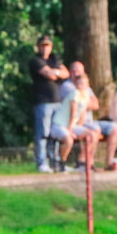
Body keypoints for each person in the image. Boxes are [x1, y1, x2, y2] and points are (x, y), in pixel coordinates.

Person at [61, 62, 117, 171]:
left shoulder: (85, 85)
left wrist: (86, 102)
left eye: (79, 71)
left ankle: (109, 162)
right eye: (73, 71)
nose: (76, 73)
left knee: (114, 127)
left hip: (90, 121)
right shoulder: (68, 86)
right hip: (77, 122)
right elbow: (79, 103)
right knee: (95, 131)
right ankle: (84, 163)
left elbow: (96, 104)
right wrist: (86, 102)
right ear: (70, 73)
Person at [30, 35, 70, 173]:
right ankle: (42, 162)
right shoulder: (36, 61)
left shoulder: (55, 59)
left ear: (51, 46)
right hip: (43, 102)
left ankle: (55, 163)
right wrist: (56, 72)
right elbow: (50, 75)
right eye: (42, 45)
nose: (45, 48)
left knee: (55, 134)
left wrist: (57, 71)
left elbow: (66, 73)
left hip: (57, 102)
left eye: (47, 45)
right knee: (43, 133)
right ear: (38, 46)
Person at [49, 74, 99, 172]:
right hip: (59, 125)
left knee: (93, 135)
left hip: (70, 125)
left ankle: (81, 162)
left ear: (87, 85)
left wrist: (81, 129)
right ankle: (61, 164)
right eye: (78, 83)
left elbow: (82, 113)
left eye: (83, 83)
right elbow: (73, 113)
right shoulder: (74, 93)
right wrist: (71, 131)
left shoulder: (85, 95)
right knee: (69, 139)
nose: (80, 85)